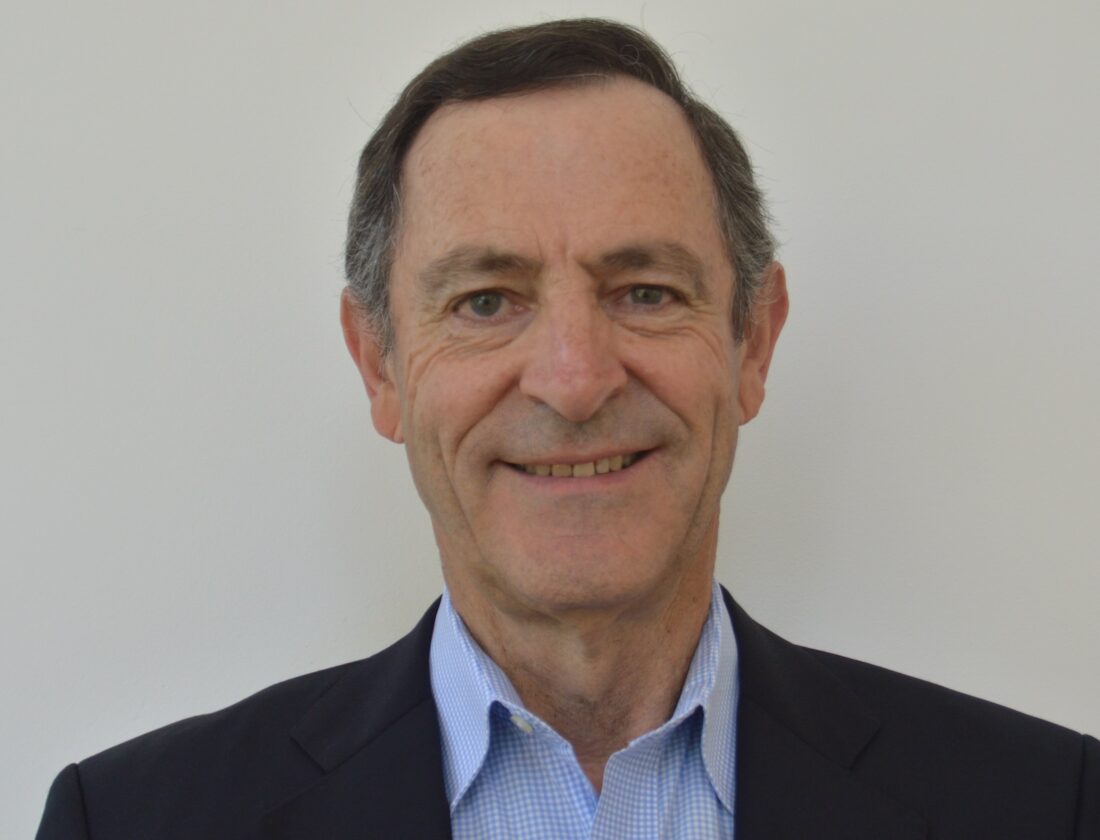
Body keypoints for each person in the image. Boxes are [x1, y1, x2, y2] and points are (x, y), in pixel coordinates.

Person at [36, 18, 1097, 840]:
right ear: (380, 366)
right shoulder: (130, 823)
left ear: (752, 343)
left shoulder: (1045, 807)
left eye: (644, 291)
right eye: (485, 301)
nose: (576, 380)